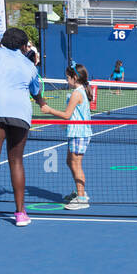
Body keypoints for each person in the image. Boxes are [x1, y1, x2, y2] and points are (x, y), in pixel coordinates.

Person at [0, 26, 45, 235]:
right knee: (16, 161)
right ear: (24, 46)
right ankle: (21, 213)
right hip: (21, 112)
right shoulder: (29, 64)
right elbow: (36, 91)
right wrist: (43, 104)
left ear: (4, 41)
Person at [38, 63, 94, 210]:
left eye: (68, 78)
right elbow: (73, 115)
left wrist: (49, 110)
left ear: (75, 78)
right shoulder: (78, 92)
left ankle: (82, 198)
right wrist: (66, 124)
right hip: (75, 131)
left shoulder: (77, 93)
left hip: (79, 133)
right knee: (70, 162)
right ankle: (79, 191)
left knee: (76, 164)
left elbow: (67, 114)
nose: (66, 80)